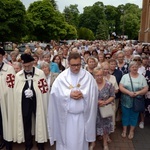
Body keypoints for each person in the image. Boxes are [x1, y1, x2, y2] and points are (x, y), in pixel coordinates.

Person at [47, 52, 98, 150]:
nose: (76, 68)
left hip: (82, 117)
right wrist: (68, 94)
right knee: (66, 142)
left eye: (78, 65)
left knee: (80, 142)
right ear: (68, 64)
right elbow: (54, 93)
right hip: (66, 118)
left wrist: (83, 93)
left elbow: (94, 92)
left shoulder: (88, 77)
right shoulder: (62, 77)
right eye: (73, 65)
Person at [13, 54, 49, 150]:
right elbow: (15, 91)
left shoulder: (40, 73)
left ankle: (40, 143)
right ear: (22, 64)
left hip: (37, 102)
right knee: (26, 122)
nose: (27, 68)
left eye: (29, 66)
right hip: (24, 103)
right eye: (25, 66)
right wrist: (22, 92)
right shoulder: (18, 75)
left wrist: (34, 92)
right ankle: (28, 144)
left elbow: (44, 90)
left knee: (39, 120)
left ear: (33, 63)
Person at [119, 61, 148, 139]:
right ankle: (124, 130)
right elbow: (121, 87)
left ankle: (131, 131)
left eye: (136, 67)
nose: (134, 68)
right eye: (132, 67)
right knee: (125, 116)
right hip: (125, 100)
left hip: (137, 101)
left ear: (138, 67)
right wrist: (128, 92)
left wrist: (138, 93)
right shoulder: (125, 76)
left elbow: (146, 88)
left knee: (134, 116)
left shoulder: (141, 77)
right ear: (129, 68)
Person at [93, 67, 115, 150]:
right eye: (97, 75)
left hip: (105, 109)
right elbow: (88, 97)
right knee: (93, 127)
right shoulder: (92, 85)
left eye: (101, 75)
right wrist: (97, 102)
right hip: (94, 110)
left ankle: (105, 143)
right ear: (94, 75)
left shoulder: (109, 84)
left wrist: (105, 102)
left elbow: (112, 96)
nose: (99, 77)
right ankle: (93, 143)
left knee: (105, 127)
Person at [0, 48, 15, 150]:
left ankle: (7, 141)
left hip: (4, 100)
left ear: (2, 57)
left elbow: (11, 85)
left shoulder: (9, 69)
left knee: (5, 121)